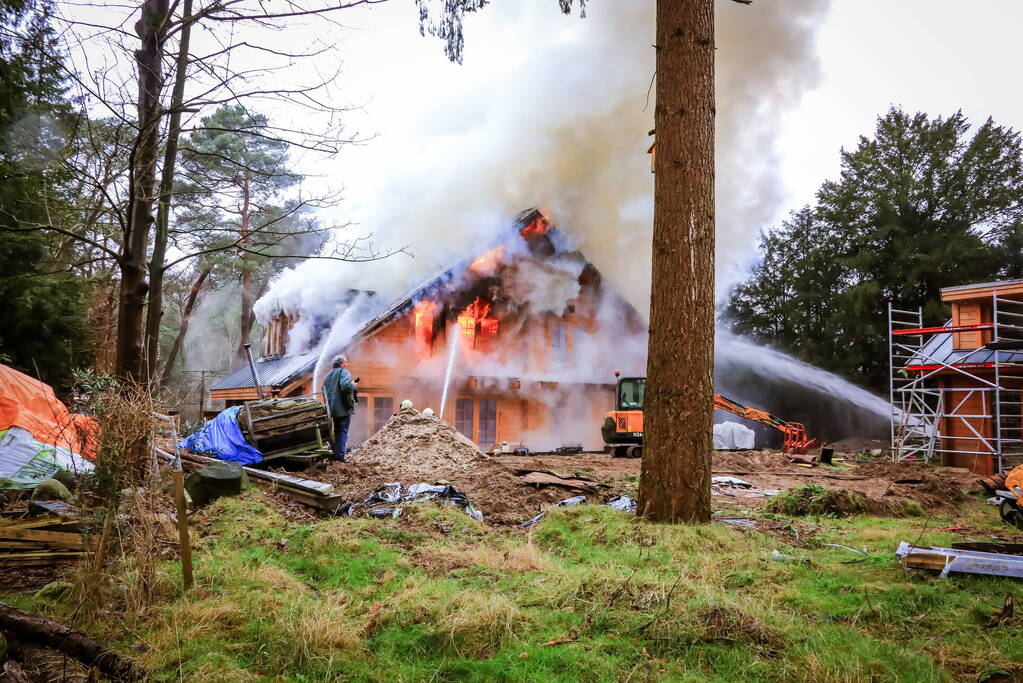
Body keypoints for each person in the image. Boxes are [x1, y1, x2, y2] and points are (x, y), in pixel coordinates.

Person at [323, 354, 357, 462]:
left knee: (336, 432)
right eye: (346, 362)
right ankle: (340, 456)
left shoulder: (328, 375)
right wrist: (353, 384)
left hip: (332, 410)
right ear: (342, 363)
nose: (347, 364)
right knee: (342, 432)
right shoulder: (344, 372)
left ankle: (335, 453)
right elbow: (346, 386)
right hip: (343, 409)